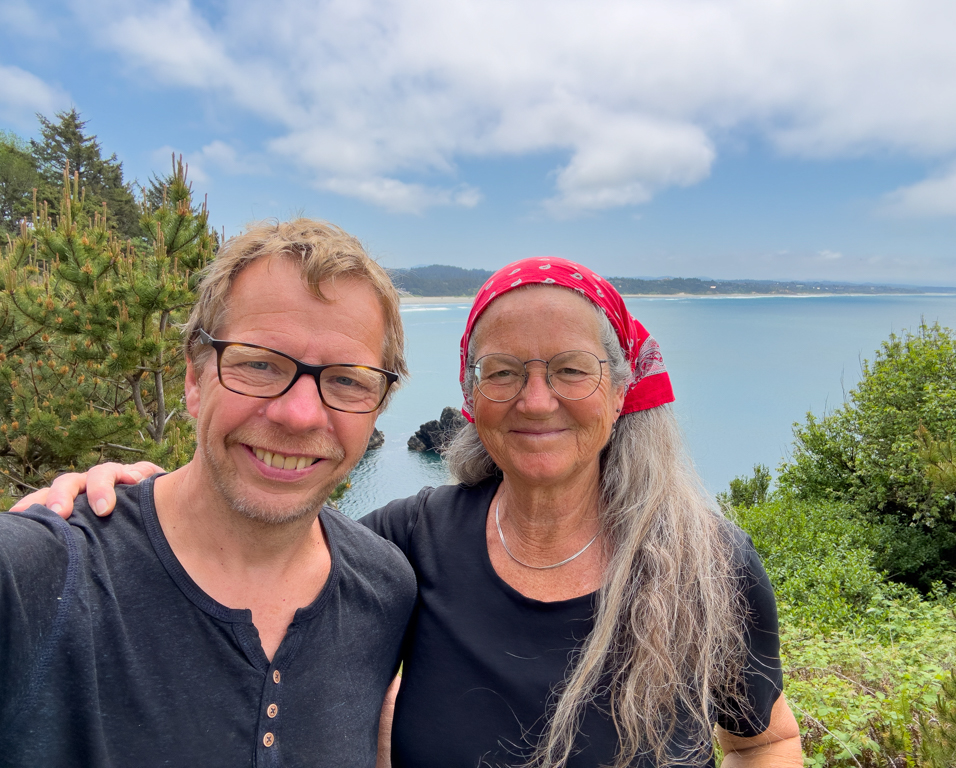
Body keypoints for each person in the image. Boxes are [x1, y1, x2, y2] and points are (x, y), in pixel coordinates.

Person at [21, 257, 802, 767]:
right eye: (503, 372)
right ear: (470, 396)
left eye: (570, 369)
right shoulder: (407, 543)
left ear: (621, 387)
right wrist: (141, 500)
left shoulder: (704, 564)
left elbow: (767, 740)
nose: (536, 400)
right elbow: (268, 559)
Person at [0, 219, 417, 766]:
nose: (298, 414)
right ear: (195, 380)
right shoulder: (40, 576)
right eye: (259, 364)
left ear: (377, 405)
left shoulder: (384, 589)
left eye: (347, 380)